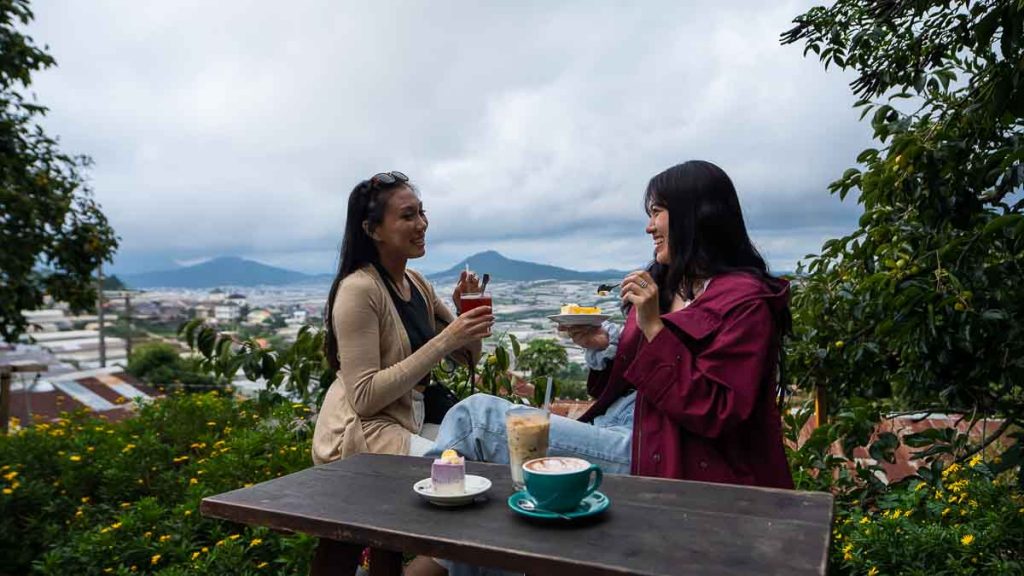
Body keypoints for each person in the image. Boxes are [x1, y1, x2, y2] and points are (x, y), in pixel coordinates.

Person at [429, 160, 793, 489]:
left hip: (664, 452)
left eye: (658, 212)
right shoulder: (672, 286)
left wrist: (653, 327)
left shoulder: (746, 303)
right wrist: (605, 344)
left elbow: (718, 411)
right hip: (628, 430)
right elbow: (636, 378)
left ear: (693, 215)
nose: (649, 227)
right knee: (495, 473)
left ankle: (405, 535)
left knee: (477, 419)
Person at [312, 171, 494, 465]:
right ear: (373, 230)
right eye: (408, 216)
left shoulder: (417, 282)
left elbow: (468, 357)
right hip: (361, 435)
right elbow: (364, 397)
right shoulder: (359, 289)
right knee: (463, 470)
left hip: (408, 421)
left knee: (488, 446)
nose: (421, 224)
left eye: (422, 213)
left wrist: (467, 316)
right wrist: (448, 337)